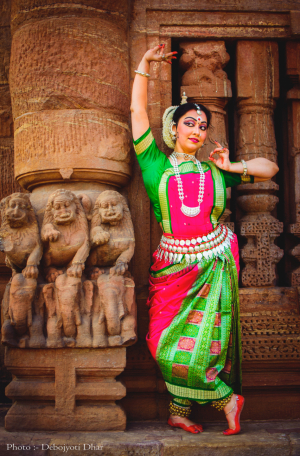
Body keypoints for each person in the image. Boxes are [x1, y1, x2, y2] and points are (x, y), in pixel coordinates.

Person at [130, 44, 279, 435]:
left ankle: (185, 409)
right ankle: (222, 398)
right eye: (189, 124)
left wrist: (236, 166)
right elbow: (136, 114)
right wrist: (144, 66)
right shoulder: (155, 163)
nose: (197, 131)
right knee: (161, 342)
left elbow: (270, 167)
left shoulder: (217, 173)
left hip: (211, 264)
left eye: (202, 126)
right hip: (171, 267)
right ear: (173, 128)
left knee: (203, 343)